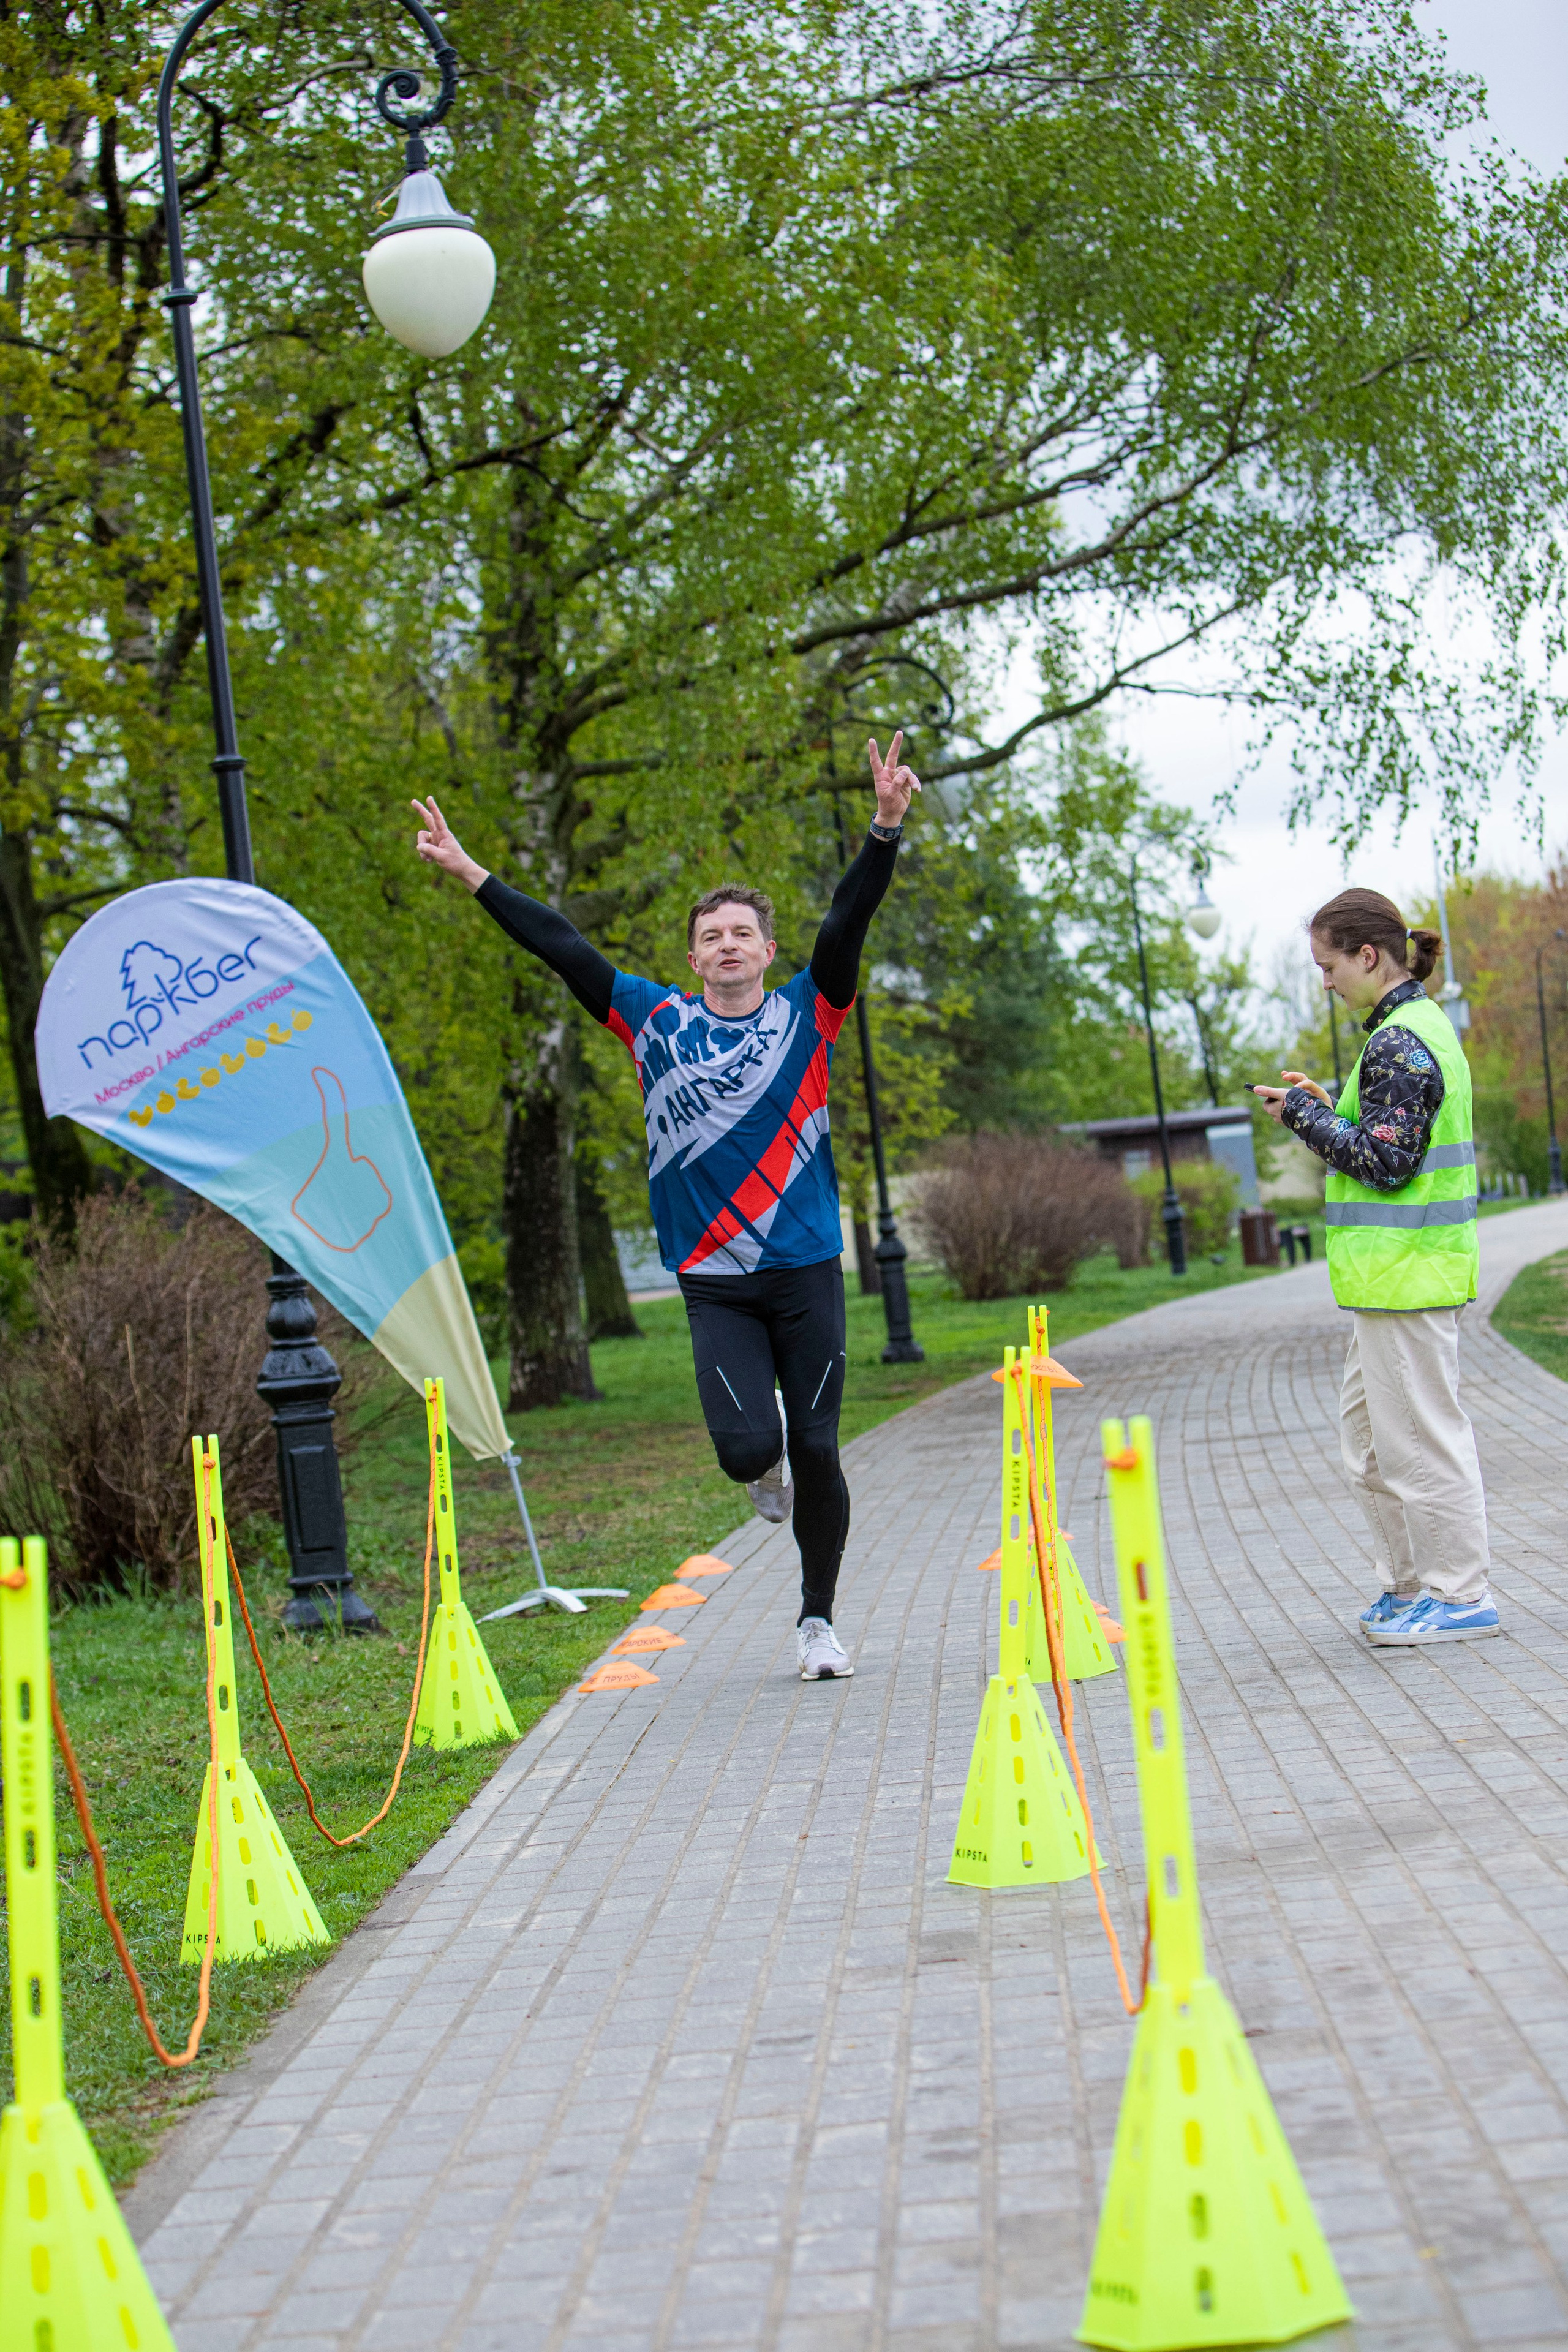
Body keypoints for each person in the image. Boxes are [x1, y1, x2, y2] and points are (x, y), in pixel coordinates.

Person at [410, 735, 921, 1681]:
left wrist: (884, 826)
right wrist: (472, 873)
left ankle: (817, 1623)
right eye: (712, 935)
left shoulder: (813, 1007)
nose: (728, 944)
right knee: (748, 1454)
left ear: (767, 952)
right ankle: (759, 1469)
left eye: (744, 934)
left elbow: (848, 921)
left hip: (805, 1267)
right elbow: (562, 944)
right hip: (714, 1281)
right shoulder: (653, 1019)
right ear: (694, 956)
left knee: (816, 1445)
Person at [1255, 887, 1496, 1648]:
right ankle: (1413, 1586)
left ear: (1368, 956)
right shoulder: (1398, 1033)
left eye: (1328, 965)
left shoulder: (1400, 1040)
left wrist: (1304, 1118)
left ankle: (1460, 1596)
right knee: (1369, 1447)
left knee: (1421, 1443)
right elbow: (1388, 1140)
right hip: (1388, 1281)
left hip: (1409, 1278)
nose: (1323, 981)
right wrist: (1330, 1111)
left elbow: (1387, 1163)